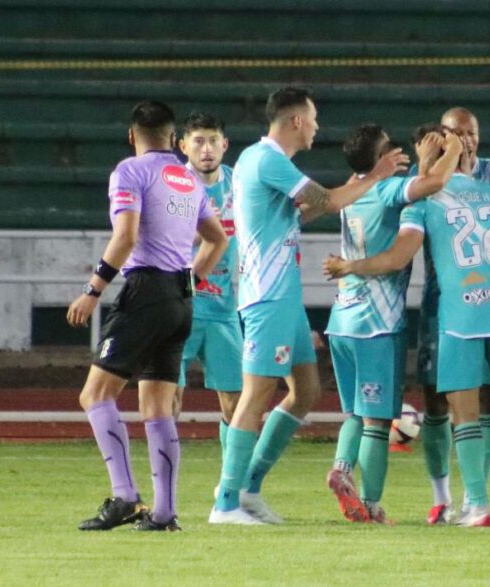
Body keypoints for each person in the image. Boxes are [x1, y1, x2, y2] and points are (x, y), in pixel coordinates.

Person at [209, 87, 408, 525]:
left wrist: (355, 184)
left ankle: (249, 489)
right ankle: (226, 502)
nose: (318, 126)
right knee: (256, 394)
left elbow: (302, 212)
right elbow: (328, 201)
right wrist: (375, 175)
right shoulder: (268, 160)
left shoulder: (262, 164)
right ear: (296, 120)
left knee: (306, 391)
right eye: (313, 118)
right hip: (268, 296)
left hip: (284, 297)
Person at [325, 145, 490, 527]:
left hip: (460, 316)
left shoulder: (424, 202)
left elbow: (398, 257)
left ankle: (478, 505)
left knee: (466, 417)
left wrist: (350, 266)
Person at [67, 100, 228, 532]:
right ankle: (164, 512)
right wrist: (191, 281)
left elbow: (126, 236)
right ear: (175, 140)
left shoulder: (130, 171)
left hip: (146, 292)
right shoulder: (188, 179)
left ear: (132, 136)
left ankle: (124, 497)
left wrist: (92, 290)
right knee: (156, 405)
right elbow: (217, 240)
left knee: (95, 395)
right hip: (180, 299)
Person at [323, 124, 462, 524]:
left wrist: (417, 164)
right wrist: (451, 147)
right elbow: (432, 183)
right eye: (390, 148)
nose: (397, 151)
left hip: (341, 319)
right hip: (376, 324)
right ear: (382, 157)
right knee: (378, 422)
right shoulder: (386, 191)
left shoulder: (353, 190)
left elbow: (415, 182)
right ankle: (371, 504)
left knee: (353, 413)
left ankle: (341, 468)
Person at [418, 108, 490, 522]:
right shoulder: (431, 174)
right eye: (455, 133)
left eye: (470, 132)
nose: (464, 139)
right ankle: (442, 495)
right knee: (435, 398)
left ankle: (477, 493)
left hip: (487, 299)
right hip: (440, 297)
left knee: (484, 395)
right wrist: (429, 164)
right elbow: (418, 198)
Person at [166, 112, 241, 468]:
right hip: (178, 306)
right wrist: (204, 231)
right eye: (198, 141)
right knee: (168, 400)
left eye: (213, 140)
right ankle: (163, 491)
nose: (206, 148)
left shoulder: (241, 185)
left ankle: (230, 489)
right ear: (183, 146)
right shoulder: (171, 184)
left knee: (237, 403)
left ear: (225, 145)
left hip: (224, 309)